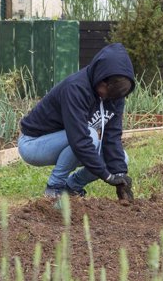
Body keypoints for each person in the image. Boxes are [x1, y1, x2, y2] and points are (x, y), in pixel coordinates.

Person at [18, 42, 135, 200]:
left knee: (122, 159)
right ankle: (54, 188)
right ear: (101, 79)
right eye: (107, 93)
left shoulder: (115, 95)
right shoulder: (75, 89)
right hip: (34, 144)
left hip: (73, 140)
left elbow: (112, 136)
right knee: (90, 136)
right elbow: (79, 140)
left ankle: (72, 187)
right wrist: (107, 176)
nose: (107, 98)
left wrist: (119, 174)